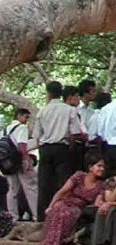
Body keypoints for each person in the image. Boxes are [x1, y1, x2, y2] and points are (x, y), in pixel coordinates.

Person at [36, 153, 106, 245]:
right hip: (65, 201)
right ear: (90, 167)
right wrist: (50, 206)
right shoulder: (79, 176)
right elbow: (62, 191)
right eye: (99, 166)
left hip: (78, 208)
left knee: (65, 214)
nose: (102, 169)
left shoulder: (101, 185)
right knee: (57, 209)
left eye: (103, 166)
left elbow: (96, 204)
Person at [34, 81, 83, 218]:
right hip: (62, 148)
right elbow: (75, 133)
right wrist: (70, 148)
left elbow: (37, 135)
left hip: (45, 149)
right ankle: (61, 215)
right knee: (63, 184)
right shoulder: (69, 110)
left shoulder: (42, 111)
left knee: (44, 184)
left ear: (48, 93)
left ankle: (42, 216)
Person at [4, 107, 37, 221]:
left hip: (6, 162)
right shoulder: (22, 127)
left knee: (12, 190)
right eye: (26, 117)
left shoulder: (5, 129)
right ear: (19, 116)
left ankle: (13, 217)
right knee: (30, 188)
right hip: (18, 161)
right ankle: (37, 215)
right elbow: (21, 145)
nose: (26, 120)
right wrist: (26, 159)